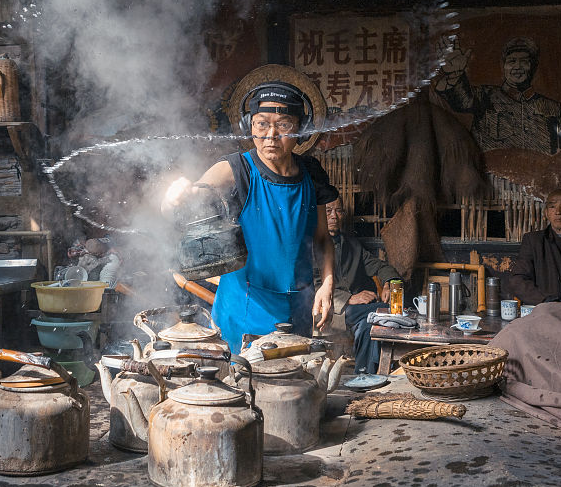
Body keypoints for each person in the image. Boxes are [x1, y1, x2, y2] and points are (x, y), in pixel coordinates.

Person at [163, 76, 337, 352]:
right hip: (243, 310)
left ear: (299, 129)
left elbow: (323, 239)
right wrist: (177, 194)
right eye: (261, 124)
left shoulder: (311, 173)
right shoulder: (236, 169)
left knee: (292, 386)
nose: (271, 135)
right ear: (250, 126)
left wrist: (327, 285)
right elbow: (194, 194)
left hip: (298, 310)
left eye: (283, 125)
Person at [434, 36, 561, 154]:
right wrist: (455, 74)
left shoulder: (554, 109)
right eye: (512, 61)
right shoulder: (484, 96)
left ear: (533, 67)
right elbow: (462, 102)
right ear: (503, 66)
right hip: (491, 183)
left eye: (524, 61)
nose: (517, 67)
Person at [325, 198, 401, 374]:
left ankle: (364, 376)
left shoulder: (351, 245)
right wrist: (350, 298)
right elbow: (311, 286)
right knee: (384, 312)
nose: (334, 216)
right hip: (331, 311)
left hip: (358, 313)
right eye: (328, 211)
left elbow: (381, 266)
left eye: (339, 211)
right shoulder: (311, 245)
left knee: (369, 326)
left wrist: (389, 283)